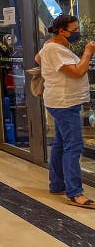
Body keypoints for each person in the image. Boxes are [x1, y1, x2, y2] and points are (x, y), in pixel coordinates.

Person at [35, 14, 95, 209]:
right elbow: (78, 72)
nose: (77, 33)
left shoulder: (51, 46)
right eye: (74, 30)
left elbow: (38, 58)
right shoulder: (54, 48)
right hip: (64, 103)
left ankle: (57, 184)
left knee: (61, 143)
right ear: (62, 31)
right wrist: (88, 53)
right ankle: (75, 193)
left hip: (62, 101)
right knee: (74, 146)